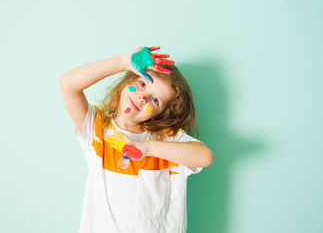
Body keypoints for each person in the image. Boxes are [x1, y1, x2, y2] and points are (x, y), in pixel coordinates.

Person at [60, 46, 214, 233]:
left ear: (162, 113)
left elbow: (205, 157)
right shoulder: (97, 130)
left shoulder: (165, 139)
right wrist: (123, 62)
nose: (143, 97)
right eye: (142, 83)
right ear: (129, 78)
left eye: (155, 100)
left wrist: (147, 148)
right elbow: (68, 84)